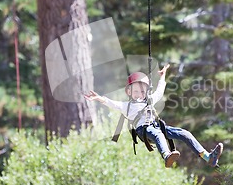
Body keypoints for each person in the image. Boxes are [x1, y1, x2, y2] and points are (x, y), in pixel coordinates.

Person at [84, 64, 223, 168]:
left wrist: (162, 76)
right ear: (129, 92)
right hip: (144, 130)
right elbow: (111, 103)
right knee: (158, 135)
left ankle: (208, 157)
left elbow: (159, 91)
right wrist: (98, 98)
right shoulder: (127, 106)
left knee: (184, 133)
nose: (140, 94)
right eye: (136, 92)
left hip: (157, 127)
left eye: (142, 91)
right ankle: (167, 155)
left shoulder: (149, 100)